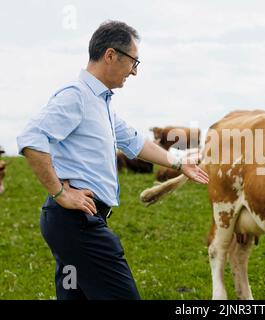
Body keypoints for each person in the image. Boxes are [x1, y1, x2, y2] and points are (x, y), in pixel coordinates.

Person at [16, 20, 209, 300]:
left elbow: (135, 142)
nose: (135, 71)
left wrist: (181, 163)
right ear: (110, 55)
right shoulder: (76, 96)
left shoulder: (101, 103)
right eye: (134, 61)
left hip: (72, 224)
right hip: (77, 224)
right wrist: (59, 192)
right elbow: (31, 139)